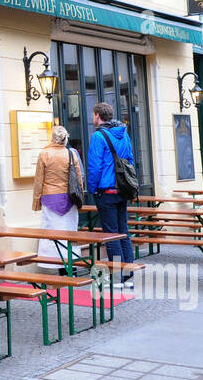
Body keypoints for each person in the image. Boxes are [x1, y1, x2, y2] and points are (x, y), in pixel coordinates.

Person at [87, 102, 136, 286]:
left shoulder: (98, 136)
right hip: (122, 189)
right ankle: (128, 275)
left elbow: (95, 166)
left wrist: (92, 189)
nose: (93, 118)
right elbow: (130, 160)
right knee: (123, 230)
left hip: (105, 191)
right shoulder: (123, 134)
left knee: (111, 233)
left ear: (98, 115)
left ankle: (117, 276)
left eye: (93, 115)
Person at [31, 125, 84, 270]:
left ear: (52, 138)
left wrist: (36, 202)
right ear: (65, 138)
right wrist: (81, 200)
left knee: (51, 232)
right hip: (69, 199)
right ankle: (70, 265)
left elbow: (39, 180)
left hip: (50, 198)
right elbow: (79, 178)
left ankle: (53, 263)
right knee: (69, 232)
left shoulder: (44, 154)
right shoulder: (71, 153)